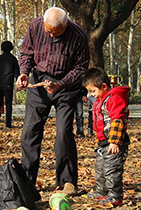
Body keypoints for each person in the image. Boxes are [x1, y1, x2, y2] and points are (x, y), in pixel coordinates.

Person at [16, 7, 89, 196]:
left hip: (66, 87)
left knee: (64, 133)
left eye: (56, 32)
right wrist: (24, 72)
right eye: (48, 31)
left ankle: (67, 182)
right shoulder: (35, 26)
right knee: (30, 132)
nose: (52, 35)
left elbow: (81, 68)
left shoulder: (78, 35)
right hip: (39, 83)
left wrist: (61, 84)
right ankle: (27, 180)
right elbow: (26, 53)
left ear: (67, 25)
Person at [83, 67, 130, 206]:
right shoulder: (100, 99)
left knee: (112, 169)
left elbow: (117, 120)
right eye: (89, 91)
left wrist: (114, 142)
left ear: (104, 86)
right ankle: (101, 190)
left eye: (93, 91)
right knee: (100, 168)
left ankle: (115, 195)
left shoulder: (113, 99)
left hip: (115, 142)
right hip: (103, 142)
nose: (91, 95)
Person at [0, 41, 20, 128]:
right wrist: (18, 83)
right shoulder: (13, 59)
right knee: (8, 104)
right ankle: (8, 124)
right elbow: (16, 73)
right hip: (8, 83)